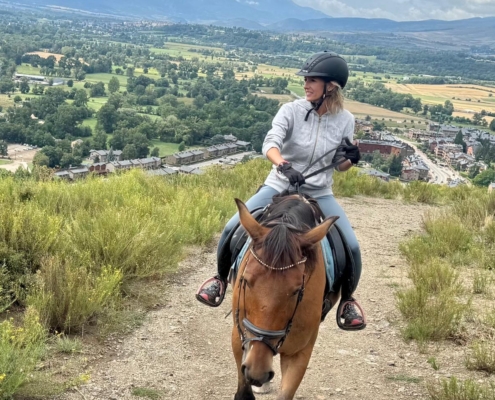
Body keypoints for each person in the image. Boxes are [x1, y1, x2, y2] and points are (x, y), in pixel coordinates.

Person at [196, 51, 365, 329]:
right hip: (279, 184)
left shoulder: (345, 119)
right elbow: (270, 143)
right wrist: (283, 165)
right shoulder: (291, 110)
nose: (306, 85)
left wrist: (351, 159)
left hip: (319, 192)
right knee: (230, 228)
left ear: (331, 86)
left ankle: (347, 300)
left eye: (312, 80)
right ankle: (220, 279)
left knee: (352, 245)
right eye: (306, 80)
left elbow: (340, 166)